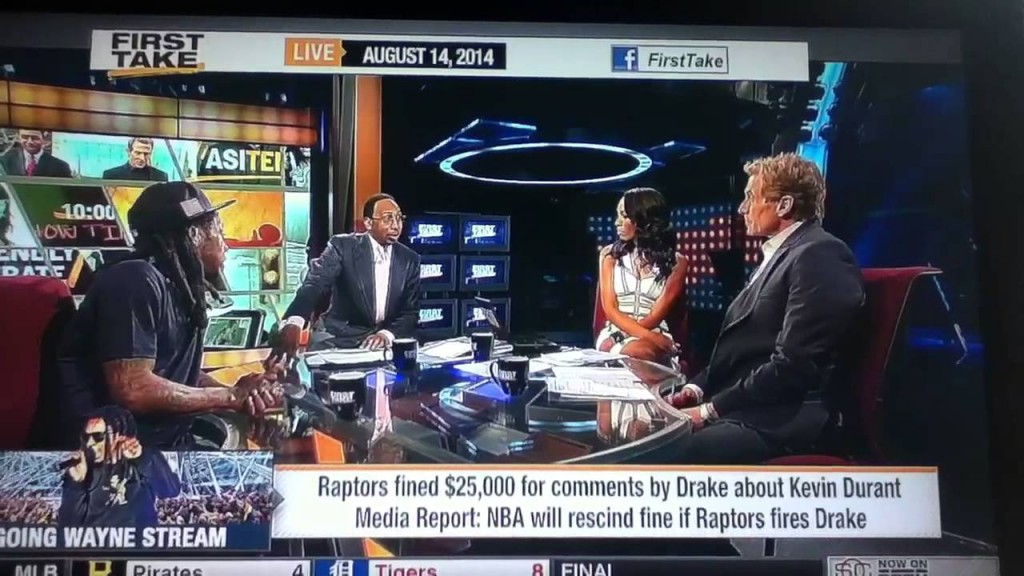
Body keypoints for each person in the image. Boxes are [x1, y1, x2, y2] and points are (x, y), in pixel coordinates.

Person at [667, 153, 865, 463]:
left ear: (784, 205)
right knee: (652, 431)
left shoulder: (820, 253)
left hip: (784, 417)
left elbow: (793, 365)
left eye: (750, 197)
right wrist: (694, 389)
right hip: (748, 404)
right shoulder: (781, 254)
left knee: (671, 448)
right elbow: (741, 352)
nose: (742, 208)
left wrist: (708, 410)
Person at [57, 181, 282, 450]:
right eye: (219, 232)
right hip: (113, 450)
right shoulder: (134, 280)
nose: (226, 245)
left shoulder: (177, 288)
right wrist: (231, 396)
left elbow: (179, 378)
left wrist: (244, 398)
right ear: (194, 234)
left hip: (162, 438)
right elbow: (134, 389)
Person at [276, 193, 421, 352]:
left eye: (399, 218)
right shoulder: (343, 246)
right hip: (337, 339)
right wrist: (294, 321)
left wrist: (385, 335)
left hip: (382, 346)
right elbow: (315, 284)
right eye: (388, 218)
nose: (396, 225)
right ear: (368, 223)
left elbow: (410, 312)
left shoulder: (409, 259)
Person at [596, 187, 688, 366]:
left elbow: (655, 315)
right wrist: (621, 336)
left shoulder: (677, 263)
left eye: (624, 216)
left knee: (642, 351)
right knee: (637, 352)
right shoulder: (609, 256)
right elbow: (610, 309)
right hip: (615, 332)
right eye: (618, 215)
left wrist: (651, 337)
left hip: (653, 330)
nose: (617, 222)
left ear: (644, 219)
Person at [58, 406, 181, 527]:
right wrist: (75, 485)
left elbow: (170, 490)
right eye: (86, 437)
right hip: (97, 539)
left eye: (98, 436)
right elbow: (68, 524)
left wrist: (142, 458)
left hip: (136, 539)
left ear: (119, 435)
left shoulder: (143, 458)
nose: (90, 443)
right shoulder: (82, 468)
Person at [0, 129, 72, 178]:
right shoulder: (4, 162)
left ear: (43, 138)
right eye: (25, 137)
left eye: (34, 138)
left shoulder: (60, 167)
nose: (30, 141)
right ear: (19, 137)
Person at [102, 137, 170, 182]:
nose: (142, 158)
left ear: (151, 153)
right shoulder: (111, 175)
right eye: (138, 153)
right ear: (128, 152)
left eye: (146, 154)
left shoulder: (161, 177)